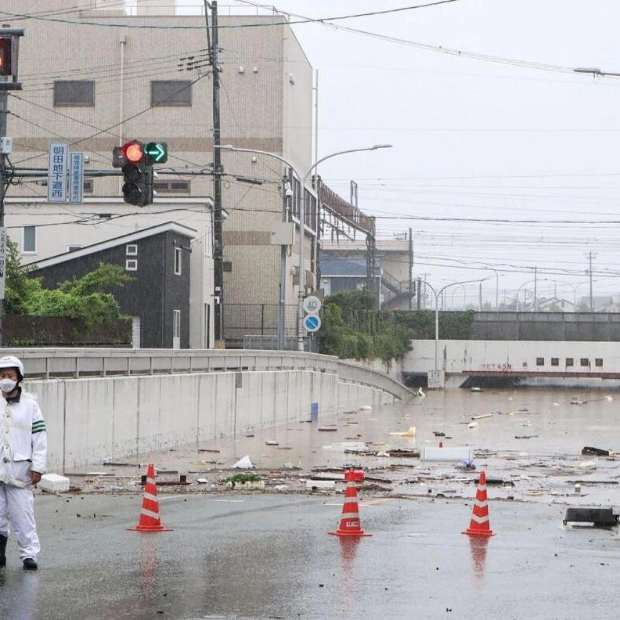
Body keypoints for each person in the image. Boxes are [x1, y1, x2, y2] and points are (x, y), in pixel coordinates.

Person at [0, 355, 47, 571]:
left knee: (22, 515)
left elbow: (39, 438)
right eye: (2, 375)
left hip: (20, 471)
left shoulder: (30, 405)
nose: (6, 379)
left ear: (19, 378)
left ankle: (29, 555)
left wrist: (38, 466)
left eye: (10, 375)